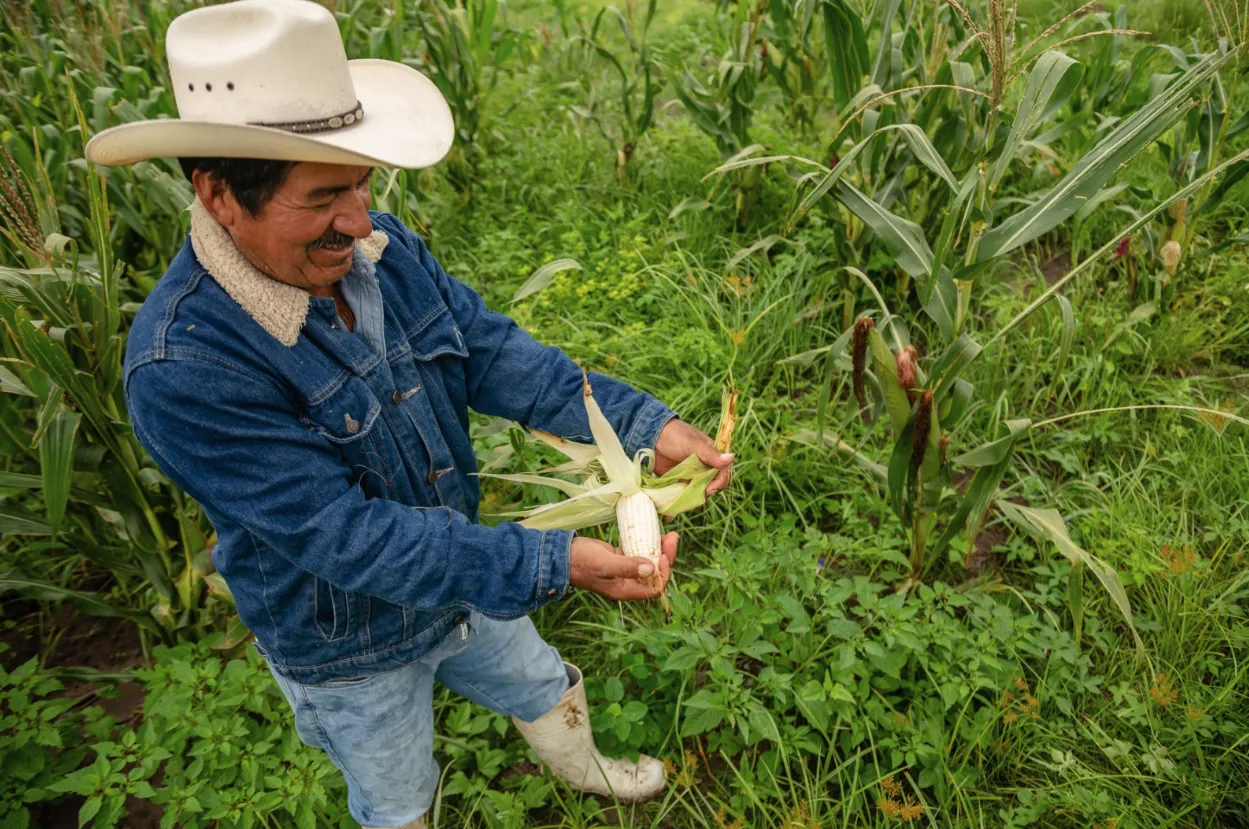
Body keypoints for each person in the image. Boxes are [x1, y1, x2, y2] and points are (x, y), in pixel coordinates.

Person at [83, 1, 733, 827]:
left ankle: (587, 766)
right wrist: (552, 562)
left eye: (361, 181)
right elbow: (346, 539)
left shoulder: (379, 249)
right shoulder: (185, 368)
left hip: (465, 577)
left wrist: (645, 425)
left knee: (536, 679)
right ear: (218, 194)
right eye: (324, 195)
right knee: (396, 791)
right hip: (346, 643)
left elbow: (490, 351)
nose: (358, 221)